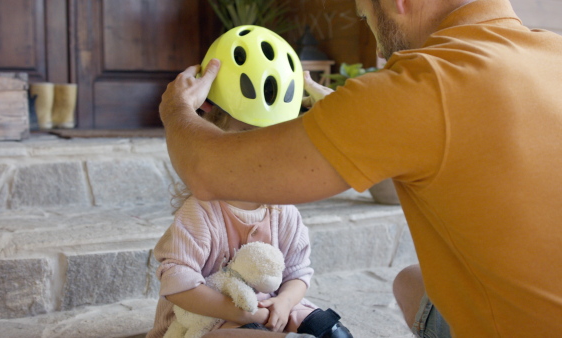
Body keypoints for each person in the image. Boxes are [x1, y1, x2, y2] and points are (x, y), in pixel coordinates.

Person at [159, 0, 562, 336]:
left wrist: (176, 108)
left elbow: (206, 170)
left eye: (367, 18)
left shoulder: (422, 85)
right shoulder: (552, 54)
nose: (379, 45)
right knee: (410, 283)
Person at [146, 26, 353, 338]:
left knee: (329, 329)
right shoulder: (201, 212)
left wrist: (283, 303)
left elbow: (298, 273)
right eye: (245, 139)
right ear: (211, 136)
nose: (260, 155)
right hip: (205, 317)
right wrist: (243, 312)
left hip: (268, 309)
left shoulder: (283, 210)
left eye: (273, 142)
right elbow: (177, 282)